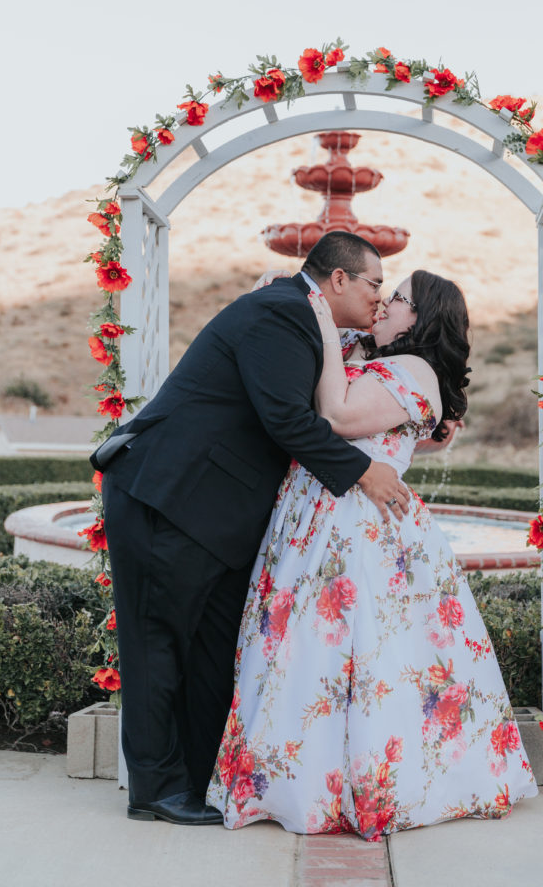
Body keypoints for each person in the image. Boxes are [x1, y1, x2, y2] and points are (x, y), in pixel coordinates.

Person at [92, 232, 411, 825]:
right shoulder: (280, 313)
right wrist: (365, 472)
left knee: (216, 653)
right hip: (172, 497)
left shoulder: (308, 321)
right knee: (158, 644)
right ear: (337, 279)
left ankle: (202, 776)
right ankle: (156, 790)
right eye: (374, 284)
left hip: (219, 517)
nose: (380, 297)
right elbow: (286, 417)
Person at [207, 270, 538, 839]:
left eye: (398, 299)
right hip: (319, 518)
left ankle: (364, 786)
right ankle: (299, 779)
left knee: (358, 657)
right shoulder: (374, 358)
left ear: (423, 316)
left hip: (358, 528)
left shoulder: (415, 370)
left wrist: (318, 314)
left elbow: (335, 416)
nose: (382, 306)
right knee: (309, 657)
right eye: (383, 295)